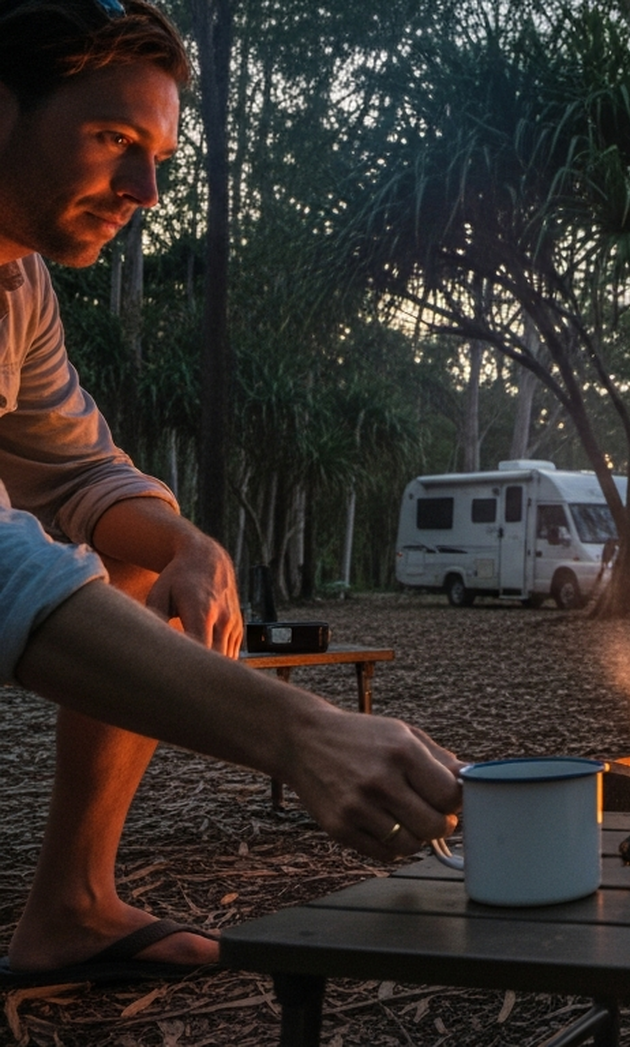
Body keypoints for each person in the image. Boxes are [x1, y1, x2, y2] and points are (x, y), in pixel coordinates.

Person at [0, 0, 461, 986]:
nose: (145, 190)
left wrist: (185, 544)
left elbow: (74, 470)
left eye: (157, 154)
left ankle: (75, 905)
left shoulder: (18, 284)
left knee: (137, 547)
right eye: (113, 139)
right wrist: (299, 732)